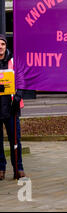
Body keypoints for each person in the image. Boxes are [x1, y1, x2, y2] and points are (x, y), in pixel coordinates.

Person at [0, 34, 26, 180]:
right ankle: (1, 169)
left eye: (2, 44)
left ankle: (18, 167)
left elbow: (21, 79)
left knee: (15, 140)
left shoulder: (14, 61)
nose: (0, 47)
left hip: (11, 107)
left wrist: (18, 95)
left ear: (6, 46)